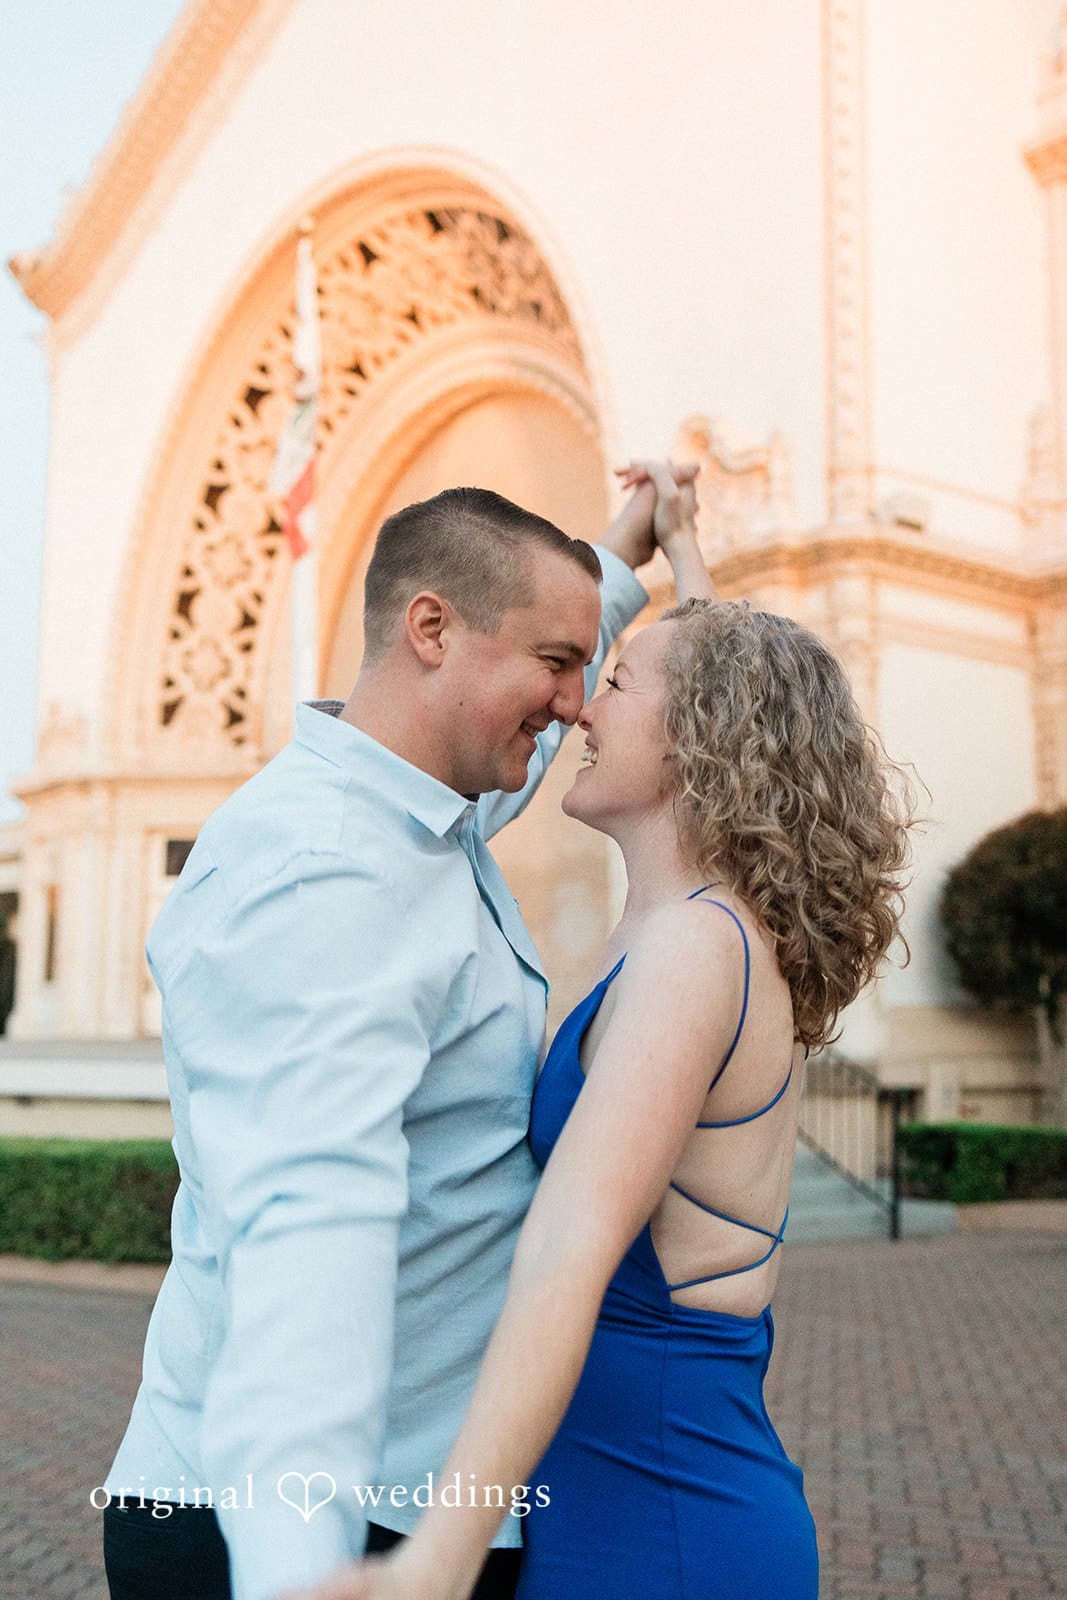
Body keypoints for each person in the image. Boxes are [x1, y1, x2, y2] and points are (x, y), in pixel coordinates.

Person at [296, 464, 915, 1600]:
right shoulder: (692, 923)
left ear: (696, 737)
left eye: (613, 681)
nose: (580, 704)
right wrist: (666, 546)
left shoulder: (693, 948)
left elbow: (570, 1245)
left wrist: (433, 1560)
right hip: (624, 1511)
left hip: (662, 1528)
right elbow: (734, 671)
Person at [101, 470, 697, 1600]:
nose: (578, 705)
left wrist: (618, 555)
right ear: (431, 627)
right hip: (291, 1531)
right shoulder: (322, 870)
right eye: (558, 662)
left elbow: (496, 765)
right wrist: (298, 1572)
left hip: (415, 1504)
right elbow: (306, 1229)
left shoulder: (420, 808)